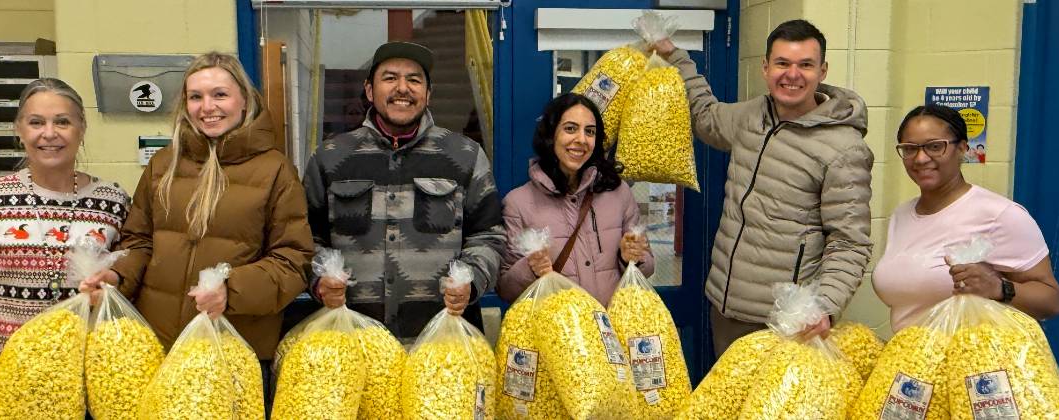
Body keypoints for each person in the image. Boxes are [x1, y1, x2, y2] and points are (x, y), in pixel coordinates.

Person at [654, 19, 874, 356]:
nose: (792, 74)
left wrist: (824, 305)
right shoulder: (753, 115)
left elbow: (850, 242)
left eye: (805, 65)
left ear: (823, 70)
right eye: (783, 63)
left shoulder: (844, 147)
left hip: (786, 322)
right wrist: (676, 58)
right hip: (726, 309)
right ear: (766, 67)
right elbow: (707, 117)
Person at [82, 53, 313, 368]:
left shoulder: (276, 170)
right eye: (196, 97)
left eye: (220, 94)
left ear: (244, 101)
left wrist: (231, 290)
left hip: (234, 348)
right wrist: (116, 275)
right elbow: (139, 241)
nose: (207, 107)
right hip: (159, 345)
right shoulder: (164, 164)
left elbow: (292, 262)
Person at [303, 41, 505, 339]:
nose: (402, 88)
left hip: (440, 344)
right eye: (390, 78)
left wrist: (471, 280)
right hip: (352, 341)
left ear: (428, 94)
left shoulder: (465, 155)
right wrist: (319, 280)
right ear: (370, 91)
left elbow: (489, 236)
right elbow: (305, 238)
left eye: (414, 79)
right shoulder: (331, 157)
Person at [0, 78, 130, 351]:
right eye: (36, 122)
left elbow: (127, 280)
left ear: (82, 129)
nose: (49, 133)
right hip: (6, 362)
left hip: (82, 364)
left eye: (63, 122)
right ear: (19, 130)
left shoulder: (113, 201)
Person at [873, 104, 1059, 331]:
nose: (921, 158)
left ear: (962, 148)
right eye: (910, 149)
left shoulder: (1000, 214)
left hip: (971, 362)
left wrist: (999, 288)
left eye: (935, 147)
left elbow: (1051, 302)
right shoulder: (901, 215)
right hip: (909, 361)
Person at [498, 93, 653, 306]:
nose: (581, 139)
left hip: (611, 330)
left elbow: (648, 265)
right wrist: (530, 268)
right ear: (551, 135)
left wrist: (631, 258)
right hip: (559, 334)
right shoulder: (518, 203)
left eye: (590, 132)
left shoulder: (618, 192)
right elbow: (505, 289)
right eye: (570, 128)